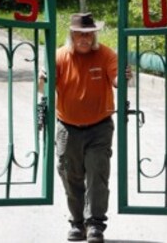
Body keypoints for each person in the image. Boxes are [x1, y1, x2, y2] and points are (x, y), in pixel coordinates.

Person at [44, 12, 130, 243]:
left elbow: (116, 79)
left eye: (89, 34)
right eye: (80, 34)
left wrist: (122, 77)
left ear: (94, 35)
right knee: (70, 176)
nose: (85, 38)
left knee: (97, 175)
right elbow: (44, 87)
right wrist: (43, 79)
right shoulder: (60, 56)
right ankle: (77, 223)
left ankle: (95, 225)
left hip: (99, 128)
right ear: (71, 35)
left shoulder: (105, 54)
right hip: (67, 127)